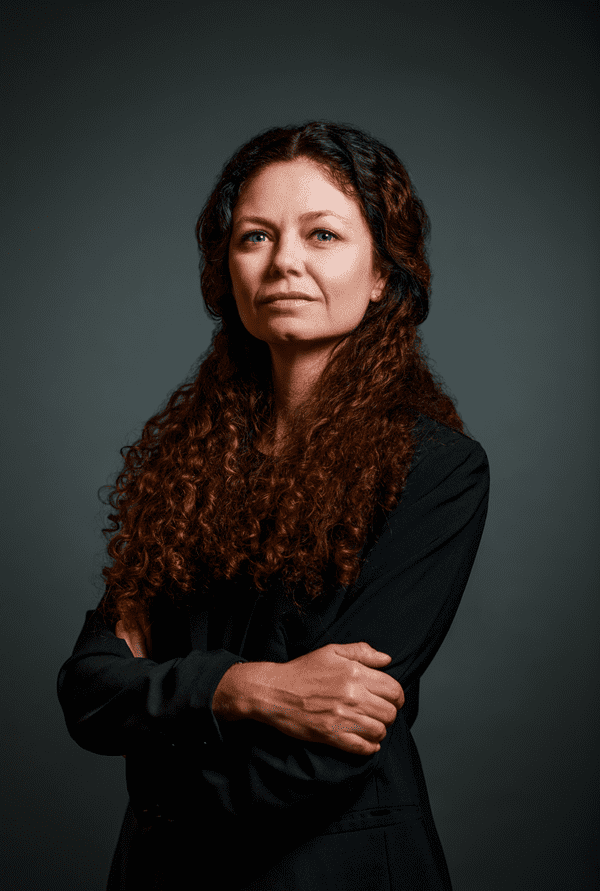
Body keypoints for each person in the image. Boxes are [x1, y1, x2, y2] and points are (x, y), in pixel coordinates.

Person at [57, 121, 490, 890]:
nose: (285, 260)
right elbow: (89, 688)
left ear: (382, 273)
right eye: (256, 236)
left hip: (330, 870)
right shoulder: (187, 462)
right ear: (228, 268)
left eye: (322, 234)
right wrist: (249, 688)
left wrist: (158, 763)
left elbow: (329, 744)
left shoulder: (435, 468)